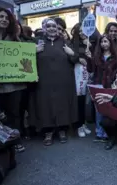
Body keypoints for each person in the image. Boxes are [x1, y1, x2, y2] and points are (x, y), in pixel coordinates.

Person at [28, 18, 78, 146]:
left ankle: (62, 130)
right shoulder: (36, 42)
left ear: (58, 28)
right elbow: (25, 60)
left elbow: (75, 59)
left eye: (54, 26)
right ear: (44, 28)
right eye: (48, 26)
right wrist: (33, 51)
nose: (51, 28)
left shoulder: (65, 42)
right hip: (44, 81)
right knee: (45, 106)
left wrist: (72, 53)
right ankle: (48, 133)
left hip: (63, 81)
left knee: (62, 105)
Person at [0, 7, 26, 152]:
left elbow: (23, 58)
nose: (4, 20)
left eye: (7, 18)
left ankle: (16, 141)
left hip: (14, 85)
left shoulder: (15, 38)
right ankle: (1, 142)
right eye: (1, 17)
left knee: (14, 114)